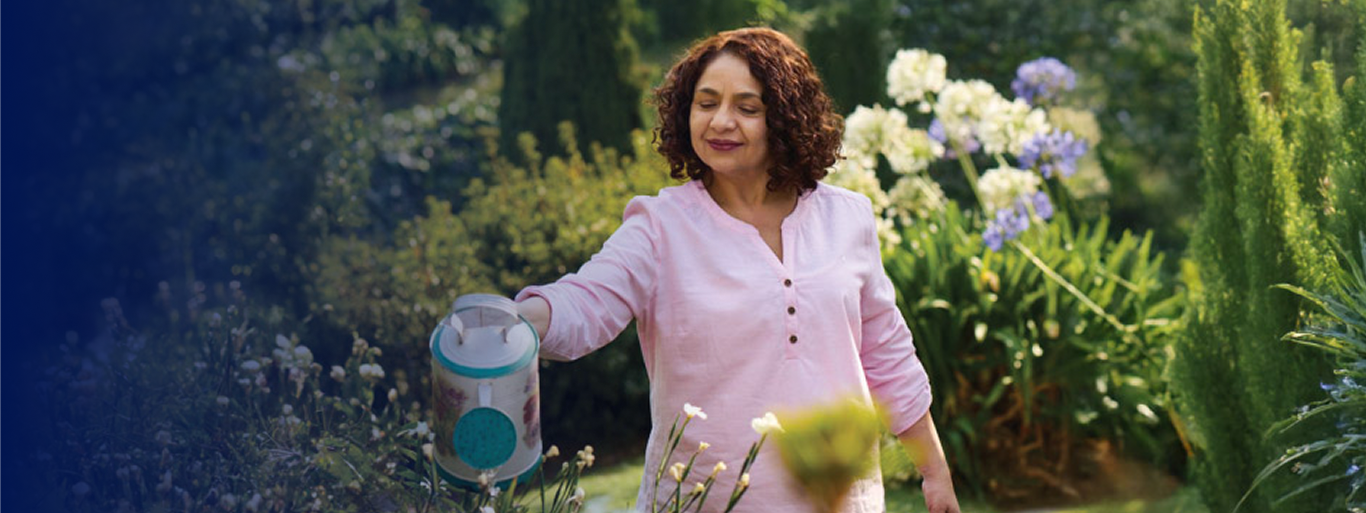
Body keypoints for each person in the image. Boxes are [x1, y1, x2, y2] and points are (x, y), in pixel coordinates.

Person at [515, 27, 960, 513]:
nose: (720, 121)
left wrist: (934, 472)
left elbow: (888, 356)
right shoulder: (660, 226)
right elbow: (590, 300)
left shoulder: (847, 217)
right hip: (702, 500)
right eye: (706, 103)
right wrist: (521, 322)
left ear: (787, 119)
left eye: (747, 108)